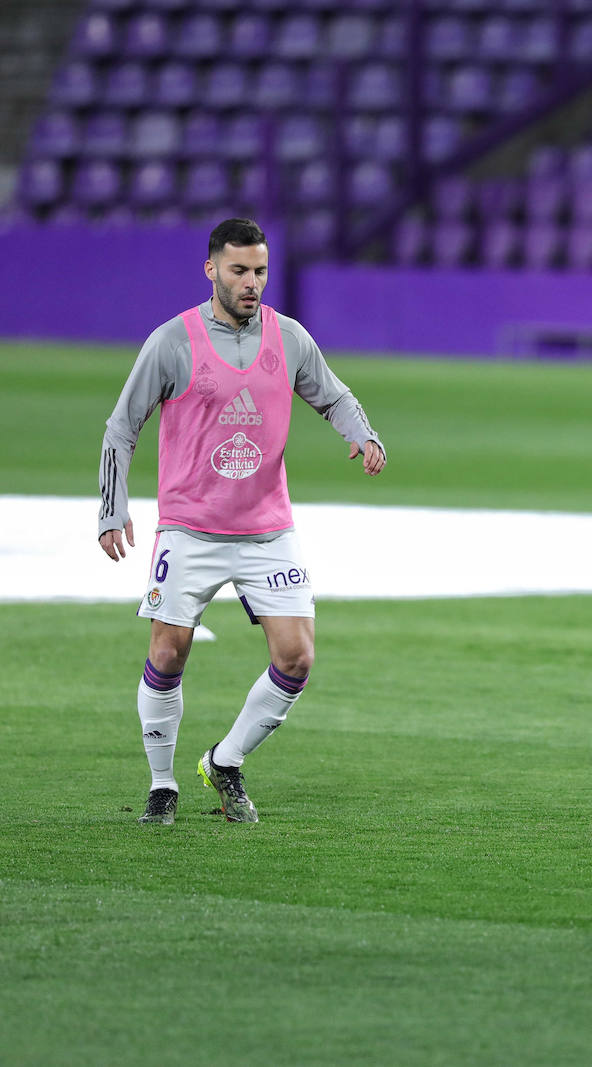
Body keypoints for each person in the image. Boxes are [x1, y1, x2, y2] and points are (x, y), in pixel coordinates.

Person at [97, 218, 387, 826]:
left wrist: (361, 433)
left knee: (297, 657)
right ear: (211, 270)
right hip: (189, 528)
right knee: (169, 650)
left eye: (259, 271)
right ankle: (161, 784)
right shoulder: (172, 342)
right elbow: (122, 426)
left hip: (266, 530)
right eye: (238, 271)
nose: (251, 282)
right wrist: (112, 507)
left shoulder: (290, 338)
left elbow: (331, 394)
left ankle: (225, 762)